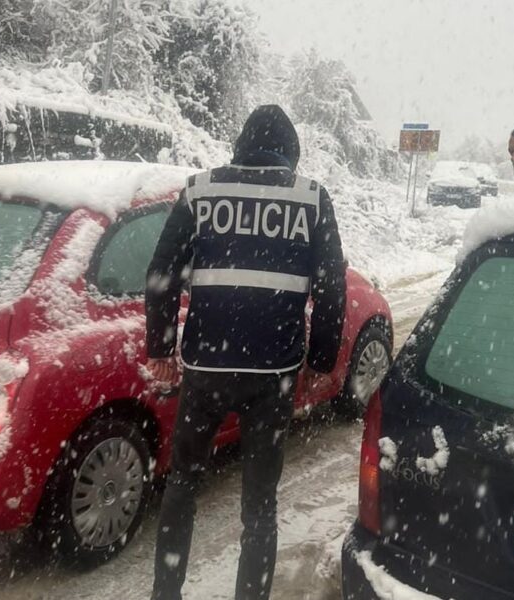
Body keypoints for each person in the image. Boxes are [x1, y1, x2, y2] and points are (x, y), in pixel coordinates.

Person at [145, 104, 346, 600]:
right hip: (272, 373)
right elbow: (332, 288)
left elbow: (161, 272)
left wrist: (161, 346)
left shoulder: (199, 190)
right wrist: (321, 361)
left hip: (206, 366)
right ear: (291, 155)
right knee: (259, 505)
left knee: (183, 486)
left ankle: (164, 593)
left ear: (239, 146)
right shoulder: (310, 198)